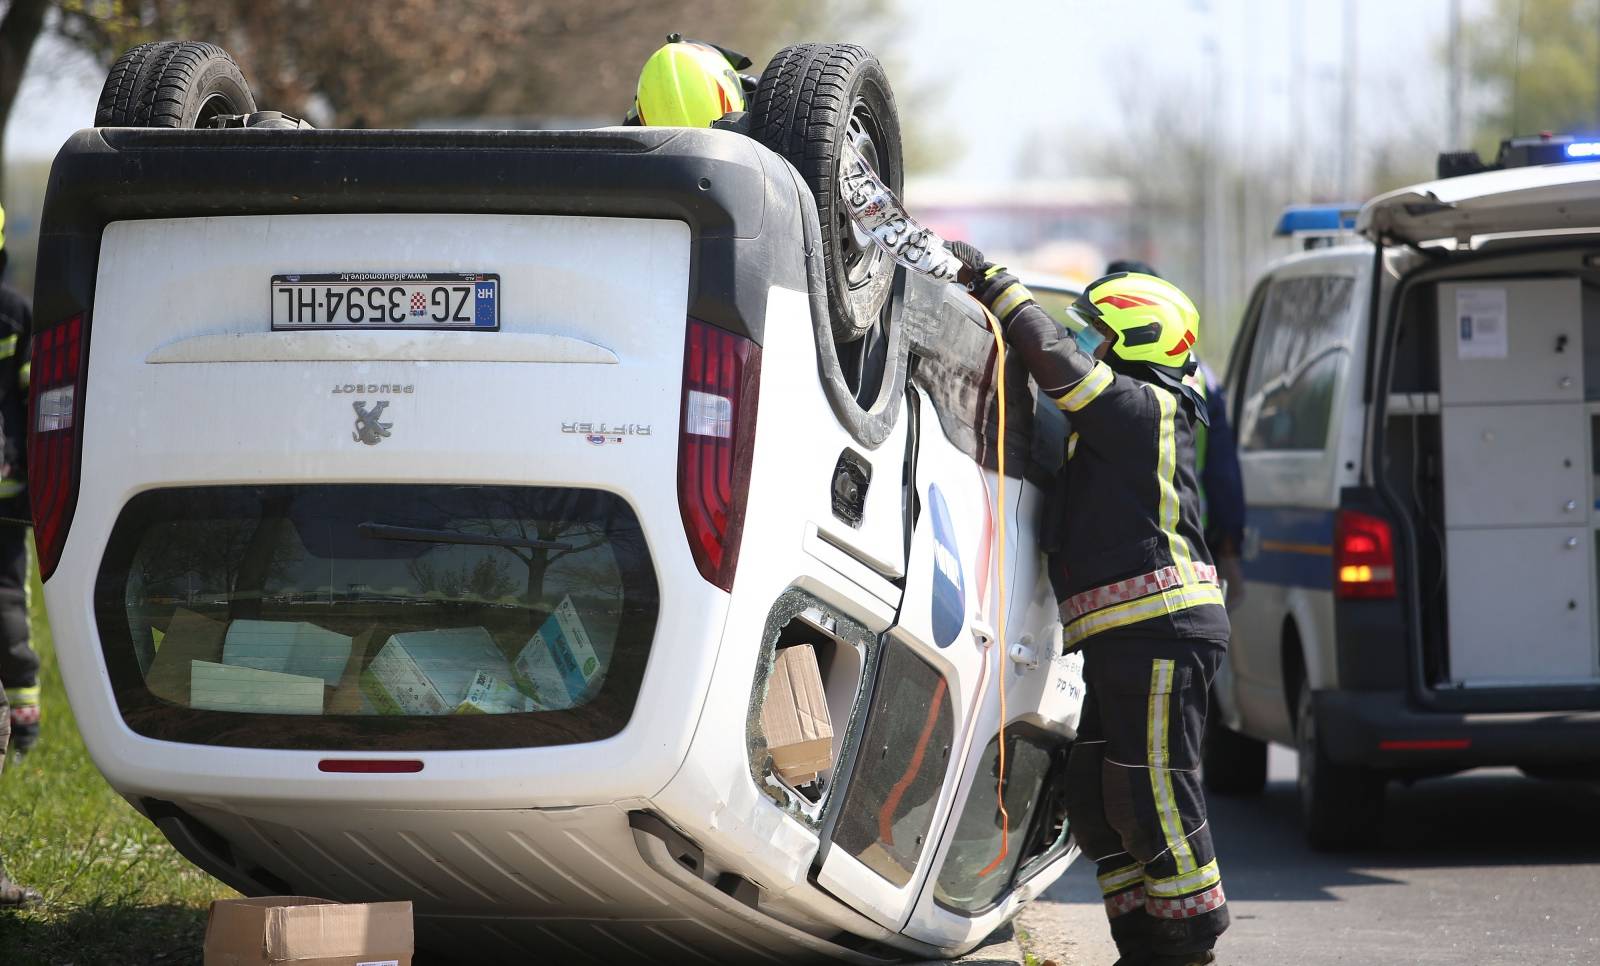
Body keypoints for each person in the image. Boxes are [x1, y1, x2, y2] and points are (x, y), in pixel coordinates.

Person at [946, 242, 1229, 966]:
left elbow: (1058, 365)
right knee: (1099, 802)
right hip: (1124, 637)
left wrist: (998, 285)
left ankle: (1190, 946)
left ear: (1135, 340)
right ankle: (1142, 947)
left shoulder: (1146, 409)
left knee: (1153, 795)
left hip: (1164, 629)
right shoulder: (1108, 428)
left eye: (1093, 334)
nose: (1080, 345)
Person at [1106, 261, 1245, 609]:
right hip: (1194, 522)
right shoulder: (1200, 372)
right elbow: (1223, 468)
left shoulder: (1111, 366)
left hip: (1134, 532)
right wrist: (1229, 544)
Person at [0, 204, 35, 757]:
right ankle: (24, 716)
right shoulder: (15, 312)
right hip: (8, 485)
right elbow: (37, 401)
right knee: (7, 595)